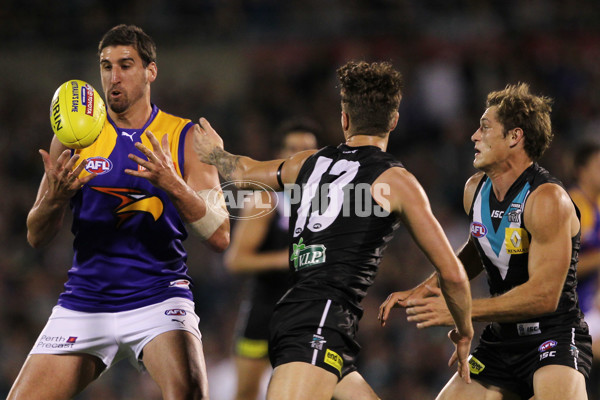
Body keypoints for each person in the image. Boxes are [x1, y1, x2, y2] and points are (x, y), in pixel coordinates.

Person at [193, 60, 473, 400]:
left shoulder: (307, 162)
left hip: (307, 316)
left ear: (344, 119)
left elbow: (243, 172)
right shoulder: (398, 182)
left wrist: (215, 153)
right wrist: (464, 331)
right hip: (321, 320)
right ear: (394, 120)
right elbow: (454, 276)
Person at [8, 24, 229, 400]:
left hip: (158, 297)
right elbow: (35, 234)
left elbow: (220, 235)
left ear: (150, 71)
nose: (114, 77)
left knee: (190, 393)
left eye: (126, 65)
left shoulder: (185, 137)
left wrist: (172, 183)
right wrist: (56, 199)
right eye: (106, 66)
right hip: (86, 299)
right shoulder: (75, 135)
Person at [379, 83, 593, 400]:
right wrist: (429, 287)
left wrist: (463, 311)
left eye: (484, 127)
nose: (474, 137)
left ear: (514, 137)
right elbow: (481, 250)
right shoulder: (474, 190)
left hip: (553, 336)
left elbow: (545, 297)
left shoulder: (547, 199)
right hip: (501, 341)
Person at [225, 119, 319, 400]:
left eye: (308, 150)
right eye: (293, 149)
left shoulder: (329, 201)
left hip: (309, 313)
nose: (301, 156)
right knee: (246, 394)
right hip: (265, 312)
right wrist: (285, 259)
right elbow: (235, 261)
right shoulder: (267, 200)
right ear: (281, 155)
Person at [568, 140, 600, 397]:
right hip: (573, 314)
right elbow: (565, 267)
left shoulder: (597, 204)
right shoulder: (574, 207)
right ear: (582, 170)